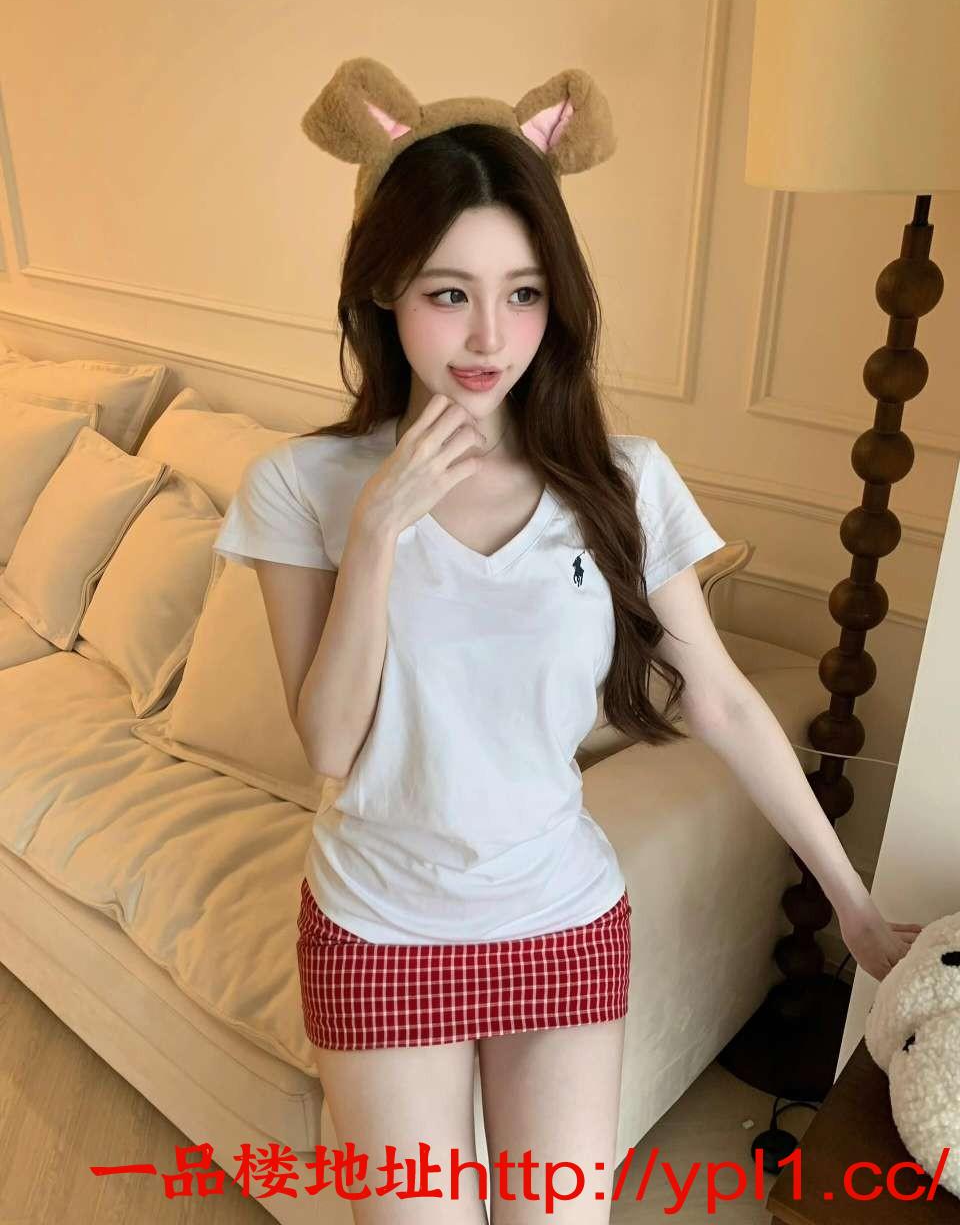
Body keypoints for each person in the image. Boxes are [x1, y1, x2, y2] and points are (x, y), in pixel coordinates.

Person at [212, 59, 921, 1225]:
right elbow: (328, 746)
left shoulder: (624, 481)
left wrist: (851, 901)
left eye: (525, 292)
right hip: (379, 929)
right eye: (450, 293)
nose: (491, 335)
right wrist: (380, 529)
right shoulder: (302, 486)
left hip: (559, 919)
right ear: (385, 286)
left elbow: (722, 698)